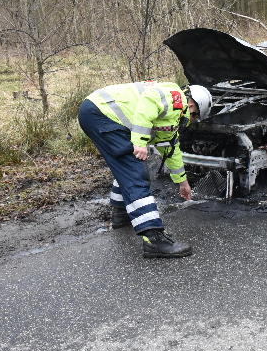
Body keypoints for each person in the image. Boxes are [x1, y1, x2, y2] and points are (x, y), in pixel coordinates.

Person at [78, 81, 213, 258]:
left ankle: (121, 215)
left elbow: (171, 150)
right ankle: (154, 239)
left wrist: (183, 183)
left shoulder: (173, 116)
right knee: (136, 174)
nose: (192, 121)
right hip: (101, 114)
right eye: (195, 116)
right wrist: (140, 142)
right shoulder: (174, 98)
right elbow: (148, 102)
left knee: (126, 168)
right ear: (193, 105)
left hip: (97, 113)